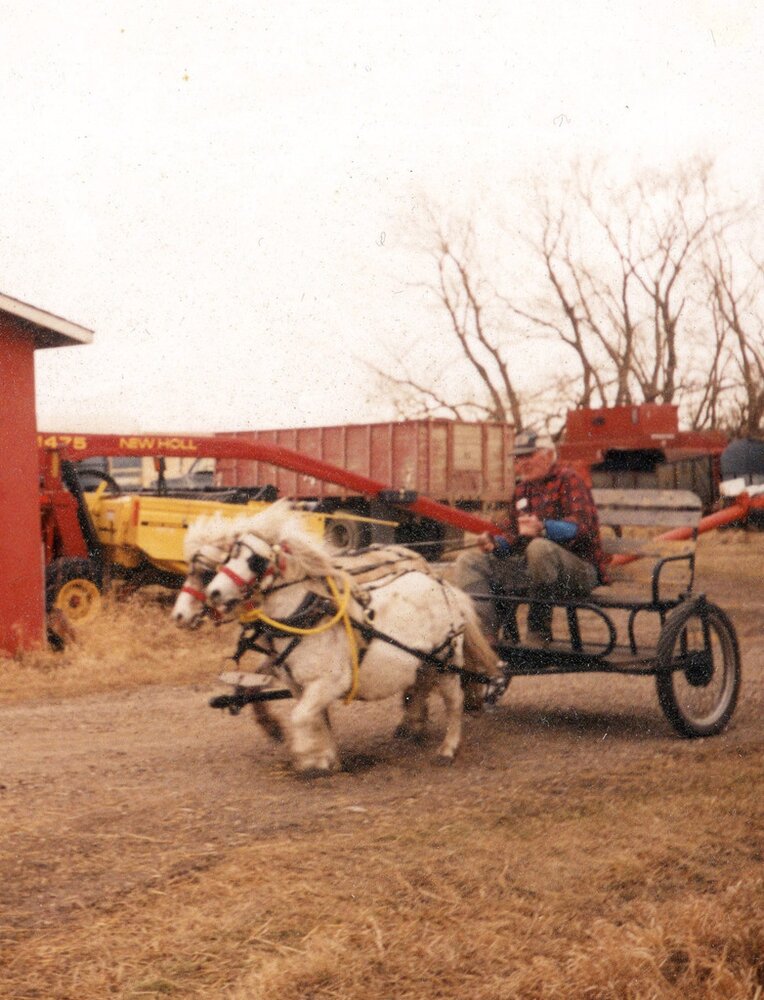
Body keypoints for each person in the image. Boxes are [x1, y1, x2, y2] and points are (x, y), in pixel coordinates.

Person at [453, 431, 609, 646]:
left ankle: (538, 632)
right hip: (536, 570)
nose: (522, 463)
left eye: (528, 456)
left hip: (580, 570)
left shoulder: (569, 479)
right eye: (518, 458)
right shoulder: (522, 489)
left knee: (539, 548)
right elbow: (513, 536)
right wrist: (494, 543)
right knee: (469, 561)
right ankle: (485, 636)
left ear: (548, 455)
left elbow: (583, 528)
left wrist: (544, 528)